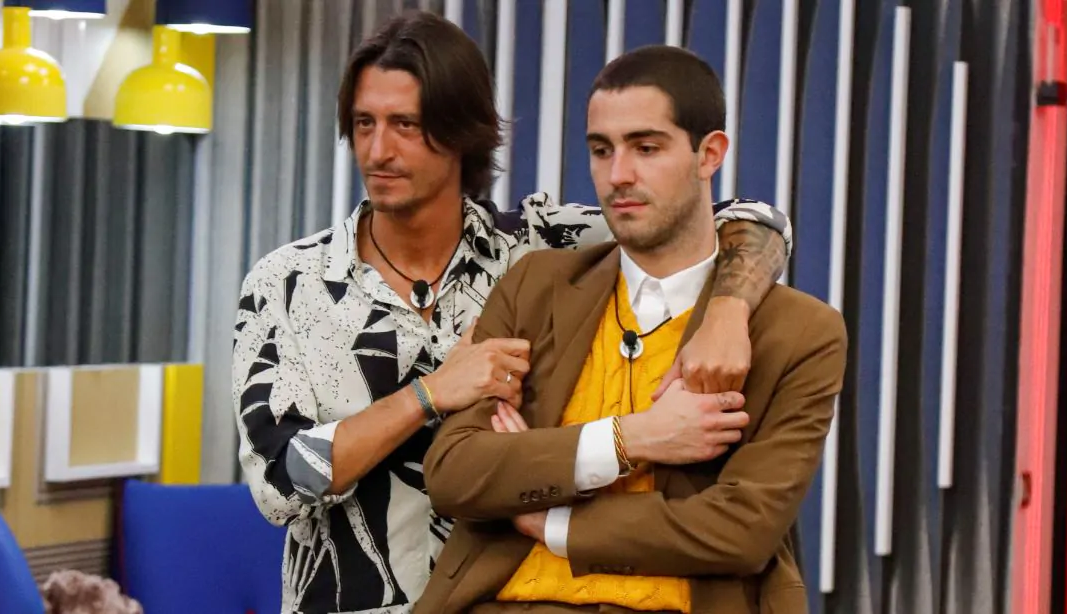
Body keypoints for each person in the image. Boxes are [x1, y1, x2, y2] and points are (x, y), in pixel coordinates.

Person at [232, 12, 793, 614]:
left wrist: (728, 310)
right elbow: (278, 484)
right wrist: (429, 394)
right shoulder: (289, 281)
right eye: (364, 123)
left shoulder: (539, 247)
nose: (378, 150)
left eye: (406, 125)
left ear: (461, 130)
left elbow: (747, 219)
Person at [416, 45, 846, 614]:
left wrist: (551, 520)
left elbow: (742, 530)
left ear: (709, 154)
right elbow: (455, 474)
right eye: (602, 150)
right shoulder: (536, 285)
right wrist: (629, 440)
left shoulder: (801, 332)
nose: (618, 175)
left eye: (647, 148)